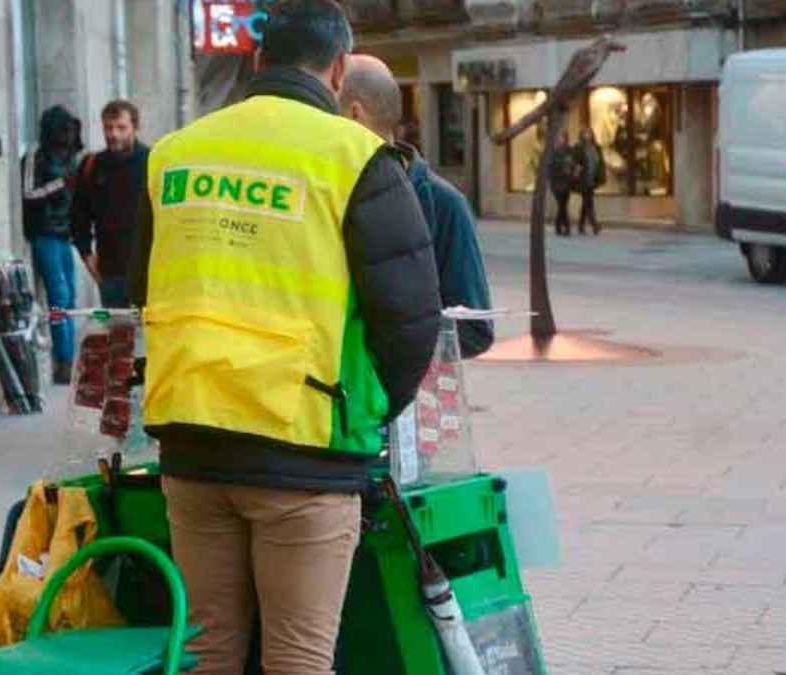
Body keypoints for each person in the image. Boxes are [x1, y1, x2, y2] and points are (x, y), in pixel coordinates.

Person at [129, 1, 441, 672]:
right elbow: (412, 318)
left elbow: (140, 288)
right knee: (298, 659)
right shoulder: (356, 158)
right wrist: (365, 410)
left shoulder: (177, 153)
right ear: (337, 70)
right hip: (306, 451)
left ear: (257, 59)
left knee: (207, 651)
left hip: (191, 443)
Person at [340, 54, 495, 358]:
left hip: (400, 400)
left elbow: (474, 331)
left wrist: (368, 344)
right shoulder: (325, 191)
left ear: (354, 114)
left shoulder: (444, 204)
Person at [22, 105, 82, 384]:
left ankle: (69, 359)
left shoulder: (70, 156)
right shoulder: (36, 156)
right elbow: (29, 193)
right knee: (59, 297)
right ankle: (64, 361)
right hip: (44, 232)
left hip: (63, 233)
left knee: (69, 298)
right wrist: (60, 185)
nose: (68, 137)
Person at [71, 100, 149, 307]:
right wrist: (89, 259)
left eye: (121, 128)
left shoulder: (152, 162)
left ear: (135, 127)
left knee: (151, 337)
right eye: (108, 127)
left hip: (149, 273)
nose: (113, 134)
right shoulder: (92, 166)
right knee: (117, 337)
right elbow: (78, 218)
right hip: (110, 273)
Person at [575, 128, 605, 235]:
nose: (588, 135)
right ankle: (594, 225)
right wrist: (576, 175)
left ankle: (580, 225)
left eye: (590, 133)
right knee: (589, 203)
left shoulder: (596, 148)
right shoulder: (579, 147)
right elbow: (576, 163)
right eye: (585, 133)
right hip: (583, 179)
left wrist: (600, 176)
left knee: (586, 203)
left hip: (592, 178)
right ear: (582, 135)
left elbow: (600, 162)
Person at [549, 130, 577, 237]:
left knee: (563, 205)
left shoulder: (570, 150)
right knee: (562, 205)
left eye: (563, 137)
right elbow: (552, 166)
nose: (562, 140)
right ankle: (565, 227)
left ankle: (560, 227)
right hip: (556, 182)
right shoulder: (554, 152)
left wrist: (574, 170)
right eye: (560, 138)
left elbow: (574, 163)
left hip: (567, 181)